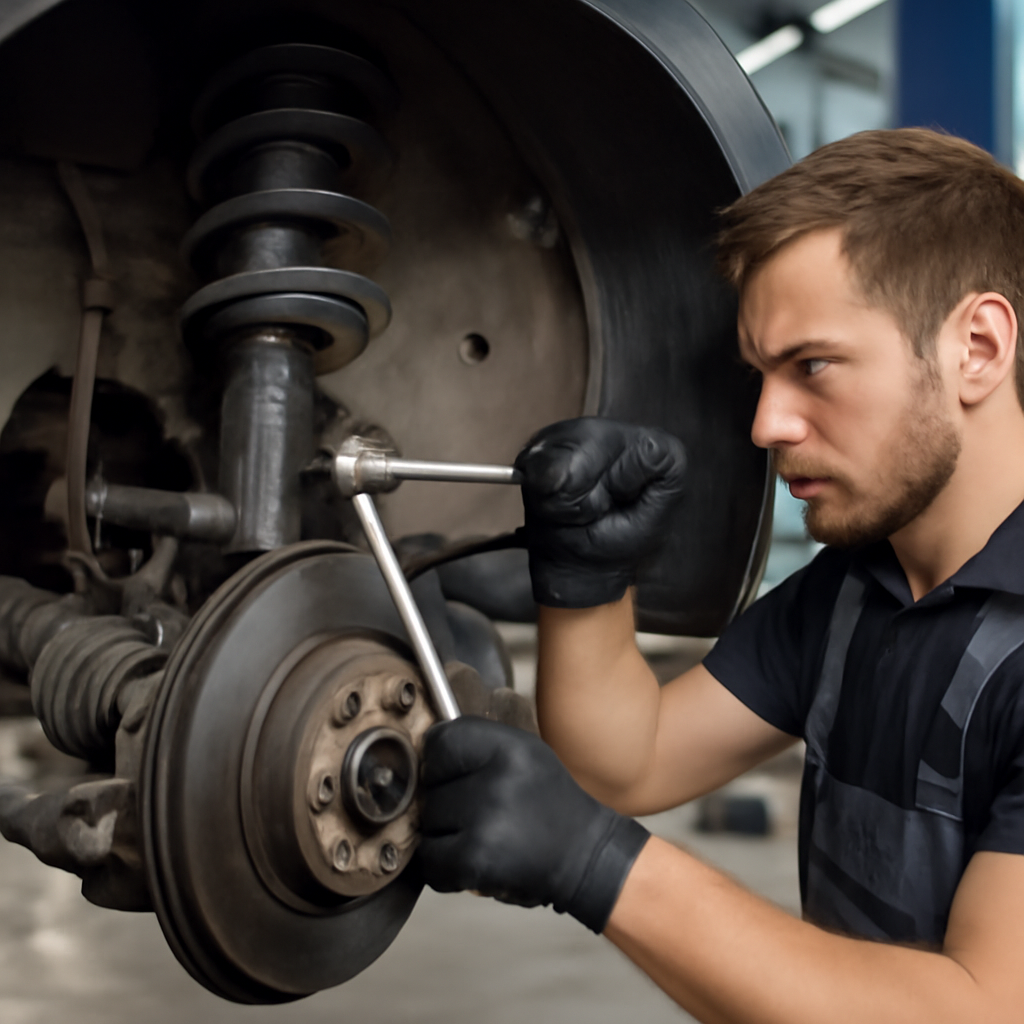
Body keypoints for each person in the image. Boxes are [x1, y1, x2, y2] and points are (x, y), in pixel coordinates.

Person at [417, 128, 1024, 1023]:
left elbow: (981, 1009)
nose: (767, 423)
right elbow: (631, 762)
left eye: (812, 365)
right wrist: (588, 582)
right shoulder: (857, 590)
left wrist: (601, 864)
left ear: (976, 346)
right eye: (761, 376)